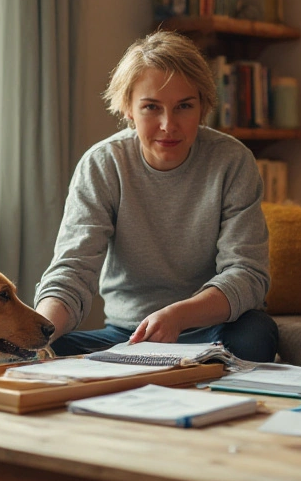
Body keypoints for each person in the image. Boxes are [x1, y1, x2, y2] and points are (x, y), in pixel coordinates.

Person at [36, 30, 277, 364]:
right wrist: (37, 332)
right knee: (50, 351)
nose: (168, 125)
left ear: (203, 106)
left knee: (257, 333)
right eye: (151, 107)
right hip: (128, 335)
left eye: (184, 107)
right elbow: (73, 270)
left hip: (211, 330)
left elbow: (247, 275)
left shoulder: (231, 161)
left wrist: (178, 316)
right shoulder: (103, 164)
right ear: (128, 109)